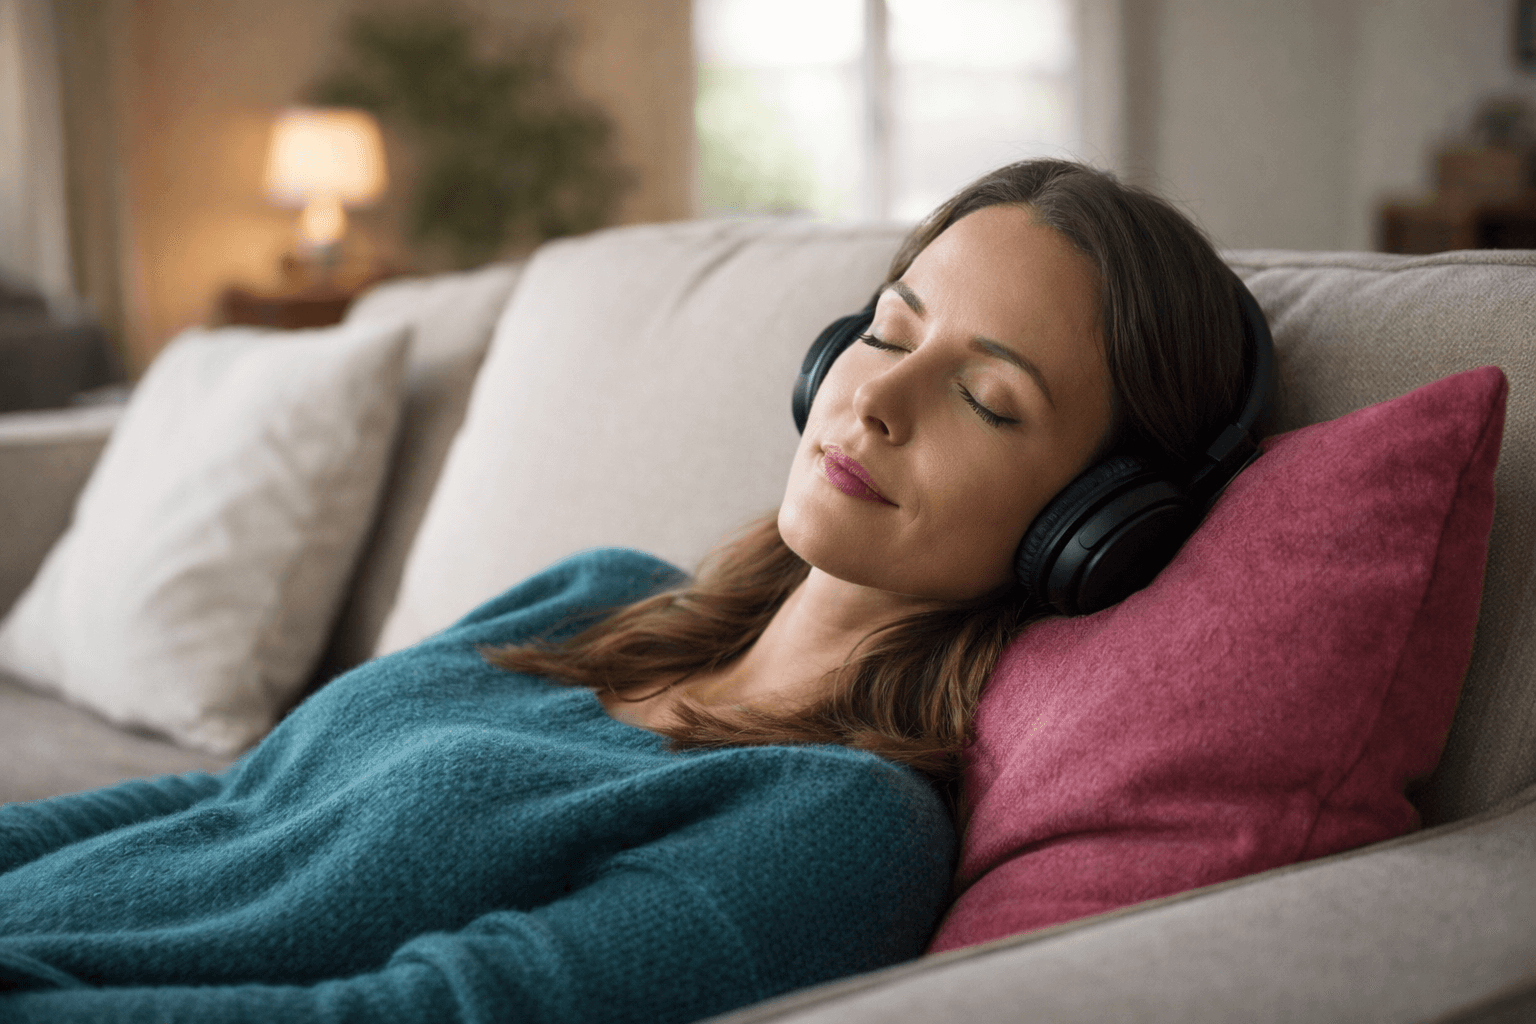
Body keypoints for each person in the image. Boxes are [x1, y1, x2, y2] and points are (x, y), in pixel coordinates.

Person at [0, 159, 1254, 1023]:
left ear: (1089, 527)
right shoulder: (598, 594)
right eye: (887, 330)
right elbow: (235, 799)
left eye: (986, 397)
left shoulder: (837, 825)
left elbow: (426, 1015)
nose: (876, 397)